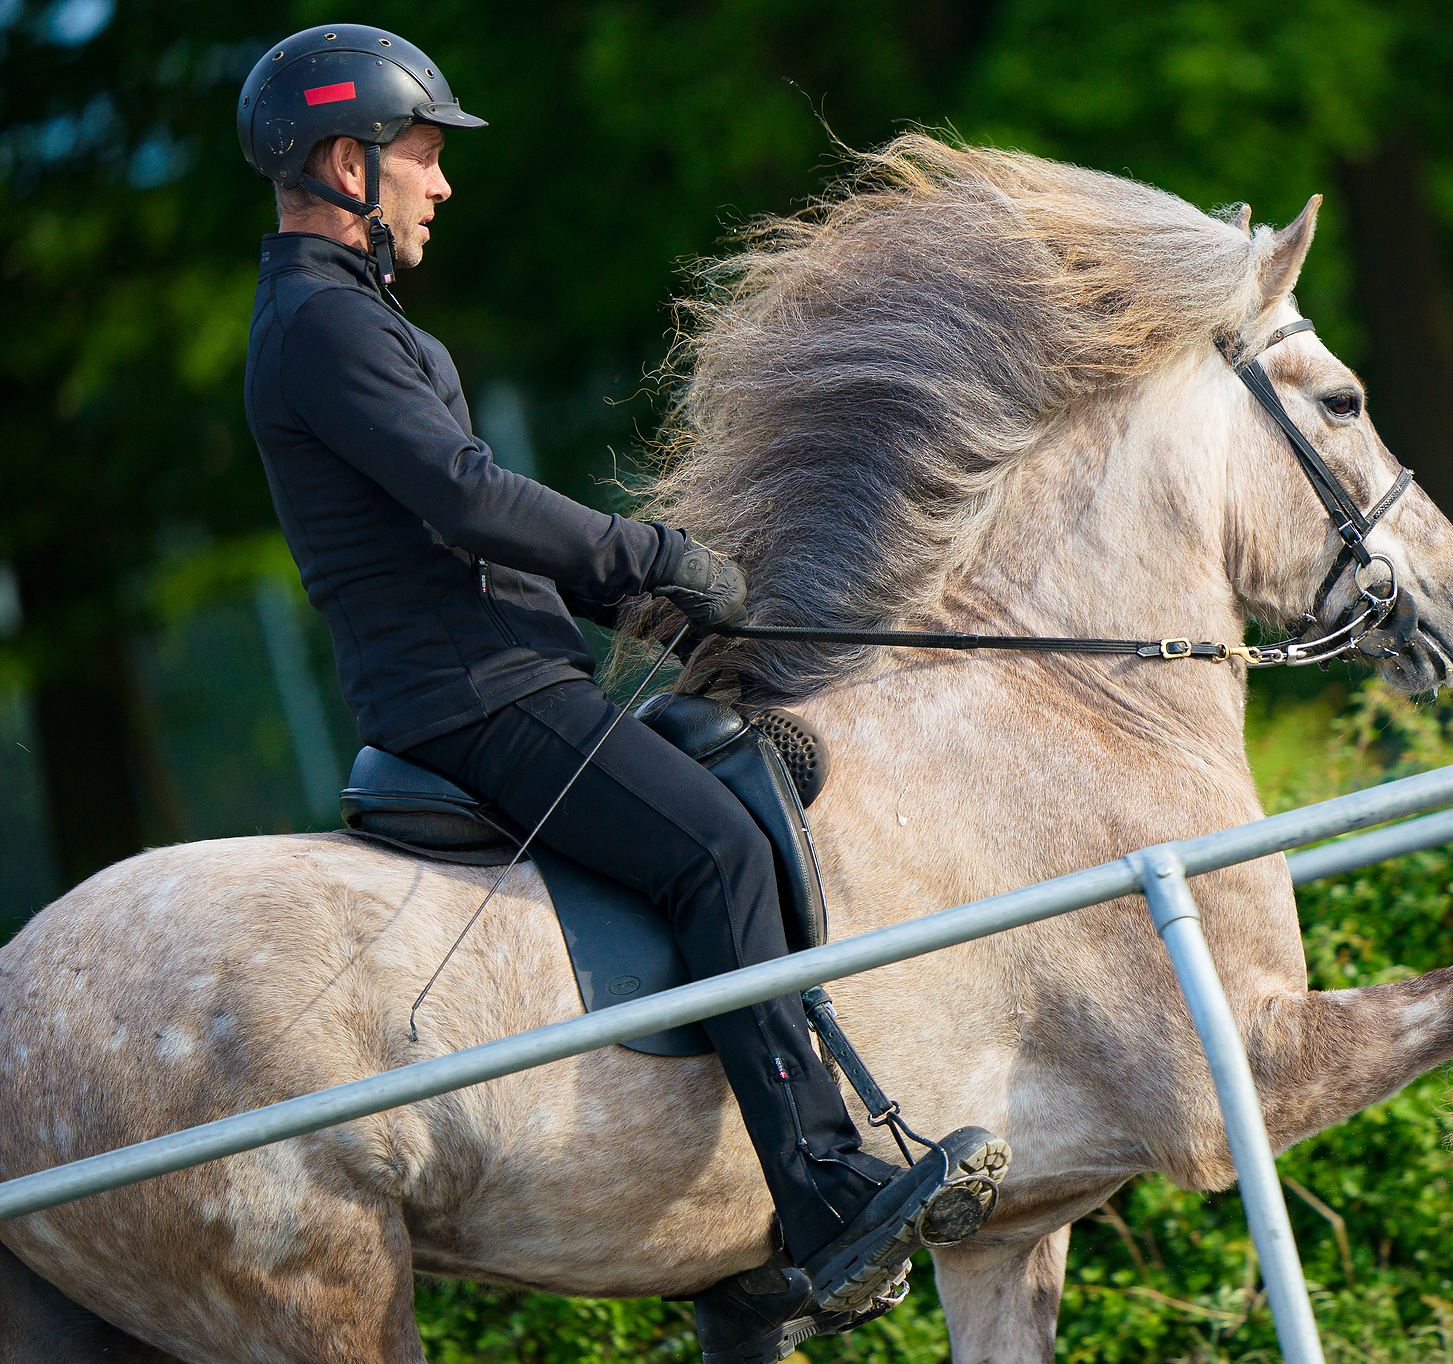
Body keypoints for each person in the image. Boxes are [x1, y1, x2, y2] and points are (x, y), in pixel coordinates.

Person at [236, 25, 1006, 1362]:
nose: (441, 182)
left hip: (501, 663)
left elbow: (448, 529)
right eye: (422, 152)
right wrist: (645, 555)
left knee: (733, 776)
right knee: (711, 851)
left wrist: (626, 601)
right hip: (469, 695)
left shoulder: (345, 318)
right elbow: (466, 499)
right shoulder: (318, 326)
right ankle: (819, 1197)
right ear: (347, 157)